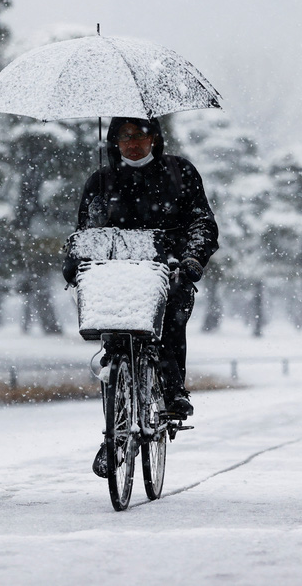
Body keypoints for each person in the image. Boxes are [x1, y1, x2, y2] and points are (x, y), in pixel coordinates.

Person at [64, 116, 219, 477]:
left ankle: (172, 389)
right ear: (113, 141)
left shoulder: (181, 173)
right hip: (116, 275)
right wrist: (74, 261)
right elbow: (86, 231)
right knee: (114, 346)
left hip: (168, 270)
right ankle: (114, 433)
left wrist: (193, 258)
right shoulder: (100, 181)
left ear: (155, 138)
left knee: (170, 323)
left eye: (140, 135)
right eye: (124, 136)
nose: (132, 143)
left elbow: (203, 223)